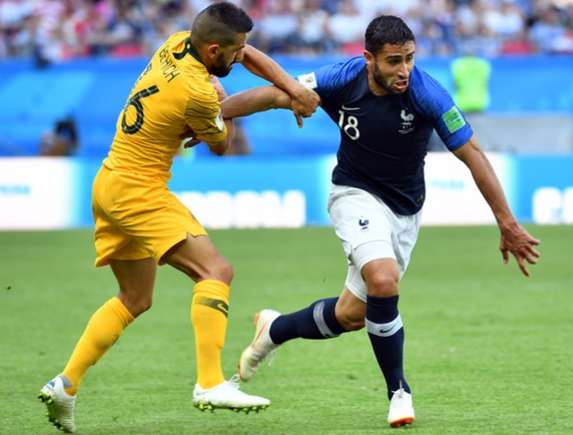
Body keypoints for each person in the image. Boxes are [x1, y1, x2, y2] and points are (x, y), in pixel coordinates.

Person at [221, 15, 540, 428]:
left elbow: (473, 155)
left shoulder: (428, 94)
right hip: (353, 194)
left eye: (409, 59)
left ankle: (274, 329)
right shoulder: (341, 78)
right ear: (368, 58)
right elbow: (279, 94)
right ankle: (399, 392)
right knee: (384, 281)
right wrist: (215, 112)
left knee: (353, 314)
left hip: (405, 209)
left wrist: (507, 223)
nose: (404, 70)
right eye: (393, 61)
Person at [37, 3, 319, 433]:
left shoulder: (174, 45)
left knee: (135, 298)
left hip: (109, 181)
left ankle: (65, 384)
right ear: (212, 50)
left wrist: (287, 90)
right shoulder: (196, 92)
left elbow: (239, 67)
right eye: (234, 50)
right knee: (216, 270)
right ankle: (209, 383)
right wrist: (282, 98)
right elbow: (221, 145)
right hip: (138, 190)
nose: (241, 55)